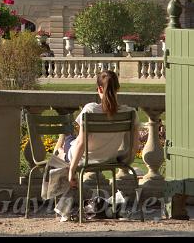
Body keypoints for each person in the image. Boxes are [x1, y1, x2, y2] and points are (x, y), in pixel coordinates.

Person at [44, 70, 140, 221]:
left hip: (84, 157)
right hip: (107, 158)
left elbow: (81, 144)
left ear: (100, 89)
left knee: (64, 145)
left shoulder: (90, 109)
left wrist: (72, 171)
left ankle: (63, 208)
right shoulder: (130, 112)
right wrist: (125, 160)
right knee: (67, 147)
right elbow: (134, 146)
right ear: (118, 89)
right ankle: (62, 156)